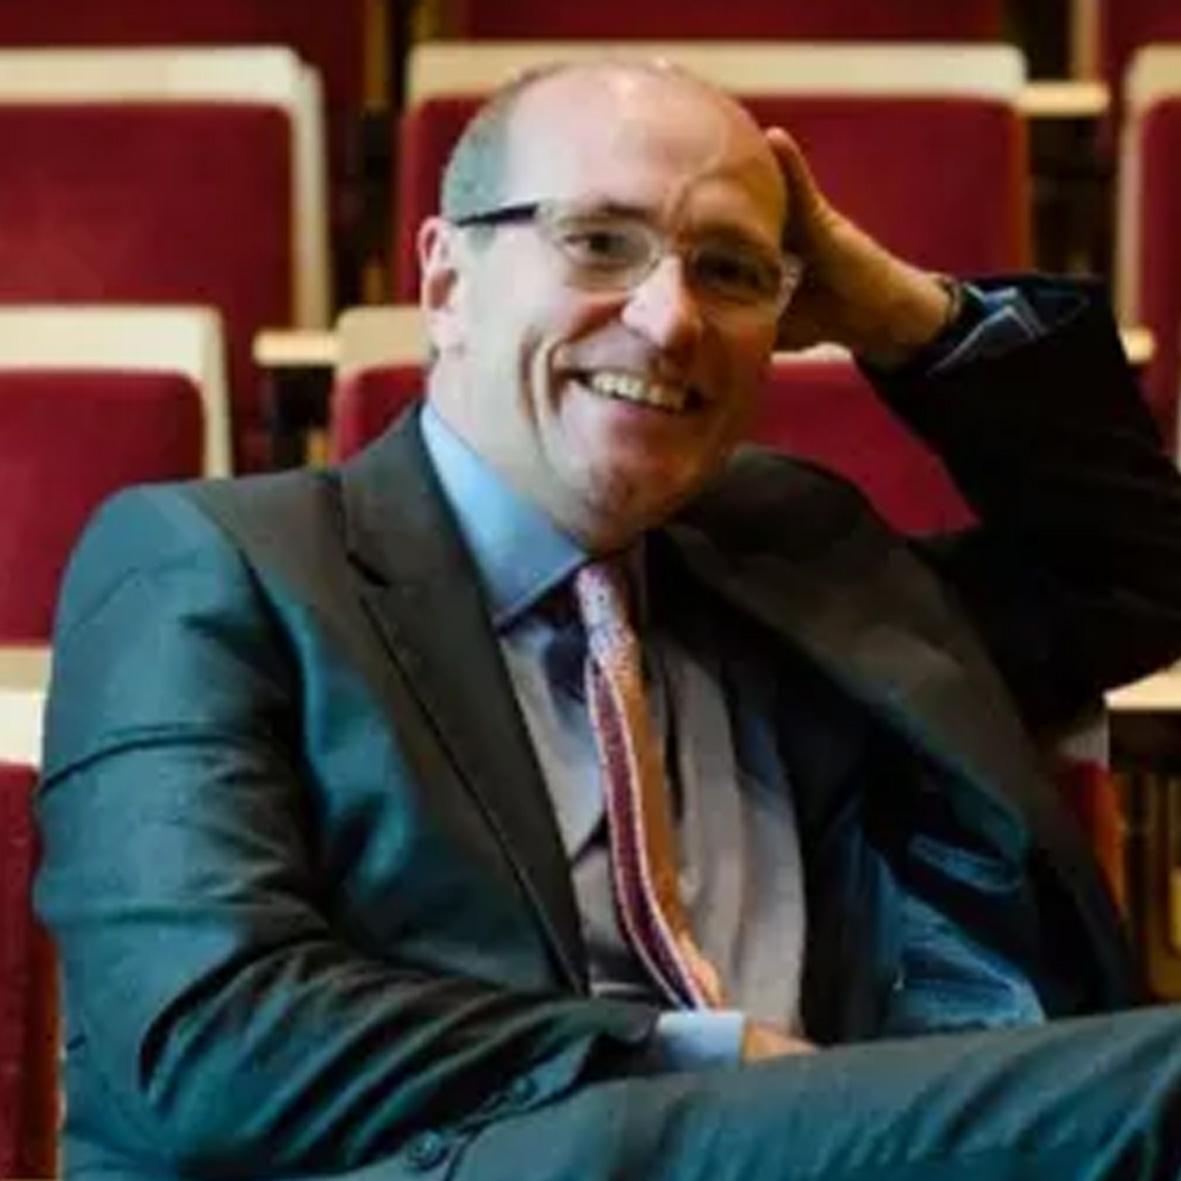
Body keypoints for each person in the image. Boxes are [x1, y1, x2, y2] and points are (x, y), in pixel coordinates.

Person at [34, 57, 1181, 1181]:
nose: (669, 318)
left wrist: (903, 317)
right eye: (596, 242)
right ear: (445, 282)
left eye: (729, 271)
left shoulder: (791, 546)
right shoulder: (211, 562)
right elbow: (204, 1036)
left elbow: (1137, 580)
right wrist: (696, 1058)